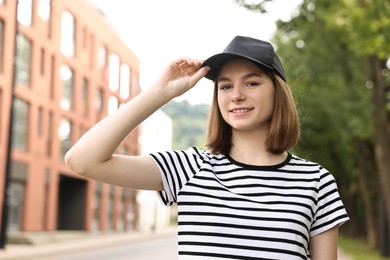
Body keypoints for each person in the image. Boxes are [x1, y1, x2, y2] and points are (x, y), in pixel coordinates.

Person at [65, 35, 349, 259]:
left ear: (278, 92)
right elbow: (83, 160)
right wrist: (158, 94)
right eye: (225, 87)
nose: (236, 95)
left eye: (251, 83)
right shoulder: (189, 168)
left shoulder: (316, 181)